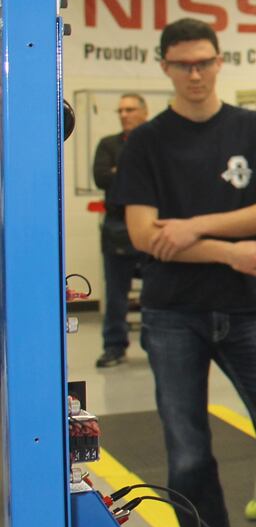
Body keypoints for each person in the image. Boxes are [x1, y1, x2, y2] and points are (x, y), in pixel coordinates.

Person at [111, 18, 256, 527]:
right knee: (188, 453)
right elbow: (142, 233)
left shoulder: (252, 129)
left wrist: (191, 227)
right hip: (172, 313)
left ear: (219, 61)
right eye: (183, 64)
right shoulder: (146, 143)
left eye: (204, 61)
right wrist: (231, 250)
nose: (195, 73)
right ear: (165, 67)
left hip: (246, 311)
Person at [93, 92, 149, 368]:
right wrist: (128, 171)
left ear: (144, 112)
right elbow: (101, 177)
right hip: (117, 228)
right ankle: (114, 346)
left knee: (156, 290)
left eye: (130, 109)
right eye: (121, 111)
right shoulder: (108, 144)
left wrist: (121, 171)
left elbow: (160, 177)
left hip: (152, 228)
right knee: (116, 293)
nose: (124, 114)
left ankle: (156, 344)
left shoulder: (156, 143)